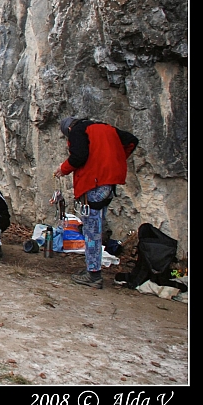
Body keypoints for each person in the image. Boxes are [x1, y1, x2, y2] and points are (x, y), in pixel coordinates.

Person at [54, 116, 138, 289]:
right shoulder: (106, 128)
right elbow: (131, 140)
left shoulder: (78, 130)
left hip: (94, 183)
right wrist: (114, 161)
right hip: (108, 184)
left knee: (91, 228)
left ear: (68, 130)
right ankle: (93, 269)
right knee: (96, 225)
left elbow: (79, 156)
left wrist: (63, 169)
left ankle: (93, 274)